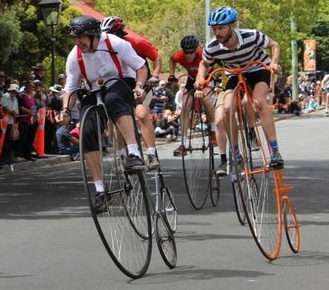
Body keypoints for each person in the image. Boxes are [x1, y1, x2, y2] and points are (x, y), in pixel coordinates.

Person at [59, 16, 148, 211]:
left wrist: (140, 86)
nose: (77, 42)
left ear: (92, 35)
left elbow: (140, 67)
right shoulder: (75, 56)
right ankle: (100, 190)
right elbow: (71, 88)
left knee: (113, 100)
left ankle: (134, 153)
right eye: (74, 38)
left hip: (121, 81)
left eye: (80, 37)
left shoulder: (115, 43)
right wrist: (65, 110)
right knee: (87, 130)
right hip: (93, 90)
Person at [195, 6, 284, 169]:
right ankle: (235, 153)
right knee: (227, 109)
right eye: (214, 29)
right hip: (234, 74)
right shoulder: (212, 46)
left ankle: (275, 151)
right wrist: (200, 78)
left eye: (221, 28)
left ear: (232, 25)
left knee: (258, 102)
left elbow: (274, 44)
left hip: (257, 69)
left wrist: (274, 63)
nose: (217, 32)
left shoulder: (251, 35)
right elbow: (204, 63)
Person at [100, 16, 161, 170]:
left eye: (110, 35)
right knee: (115, 118)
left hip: (142, 82)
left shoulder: (137, 42)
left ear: (119, 33)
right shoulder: (104, 47)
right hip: (123, 84)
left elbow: (157, 57)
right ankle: (122, 156)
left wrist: (155, 75)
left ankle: (151, 154)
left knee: (141, 114)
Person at [168, 35, 218, 157]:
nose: (188, 55)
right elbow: (171, 59)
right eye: (186, 52)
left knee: (205, 99)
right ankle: (183, 143)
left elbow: (209, 68)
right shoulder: (179, 56)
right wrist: (172, 74)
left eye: (191, 52)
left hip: (206, 78)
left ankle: (213, 131)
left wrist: (200, 86)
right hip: (191, 79)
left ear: (196, 50)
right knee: (185, 105)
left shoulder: (203, 54)